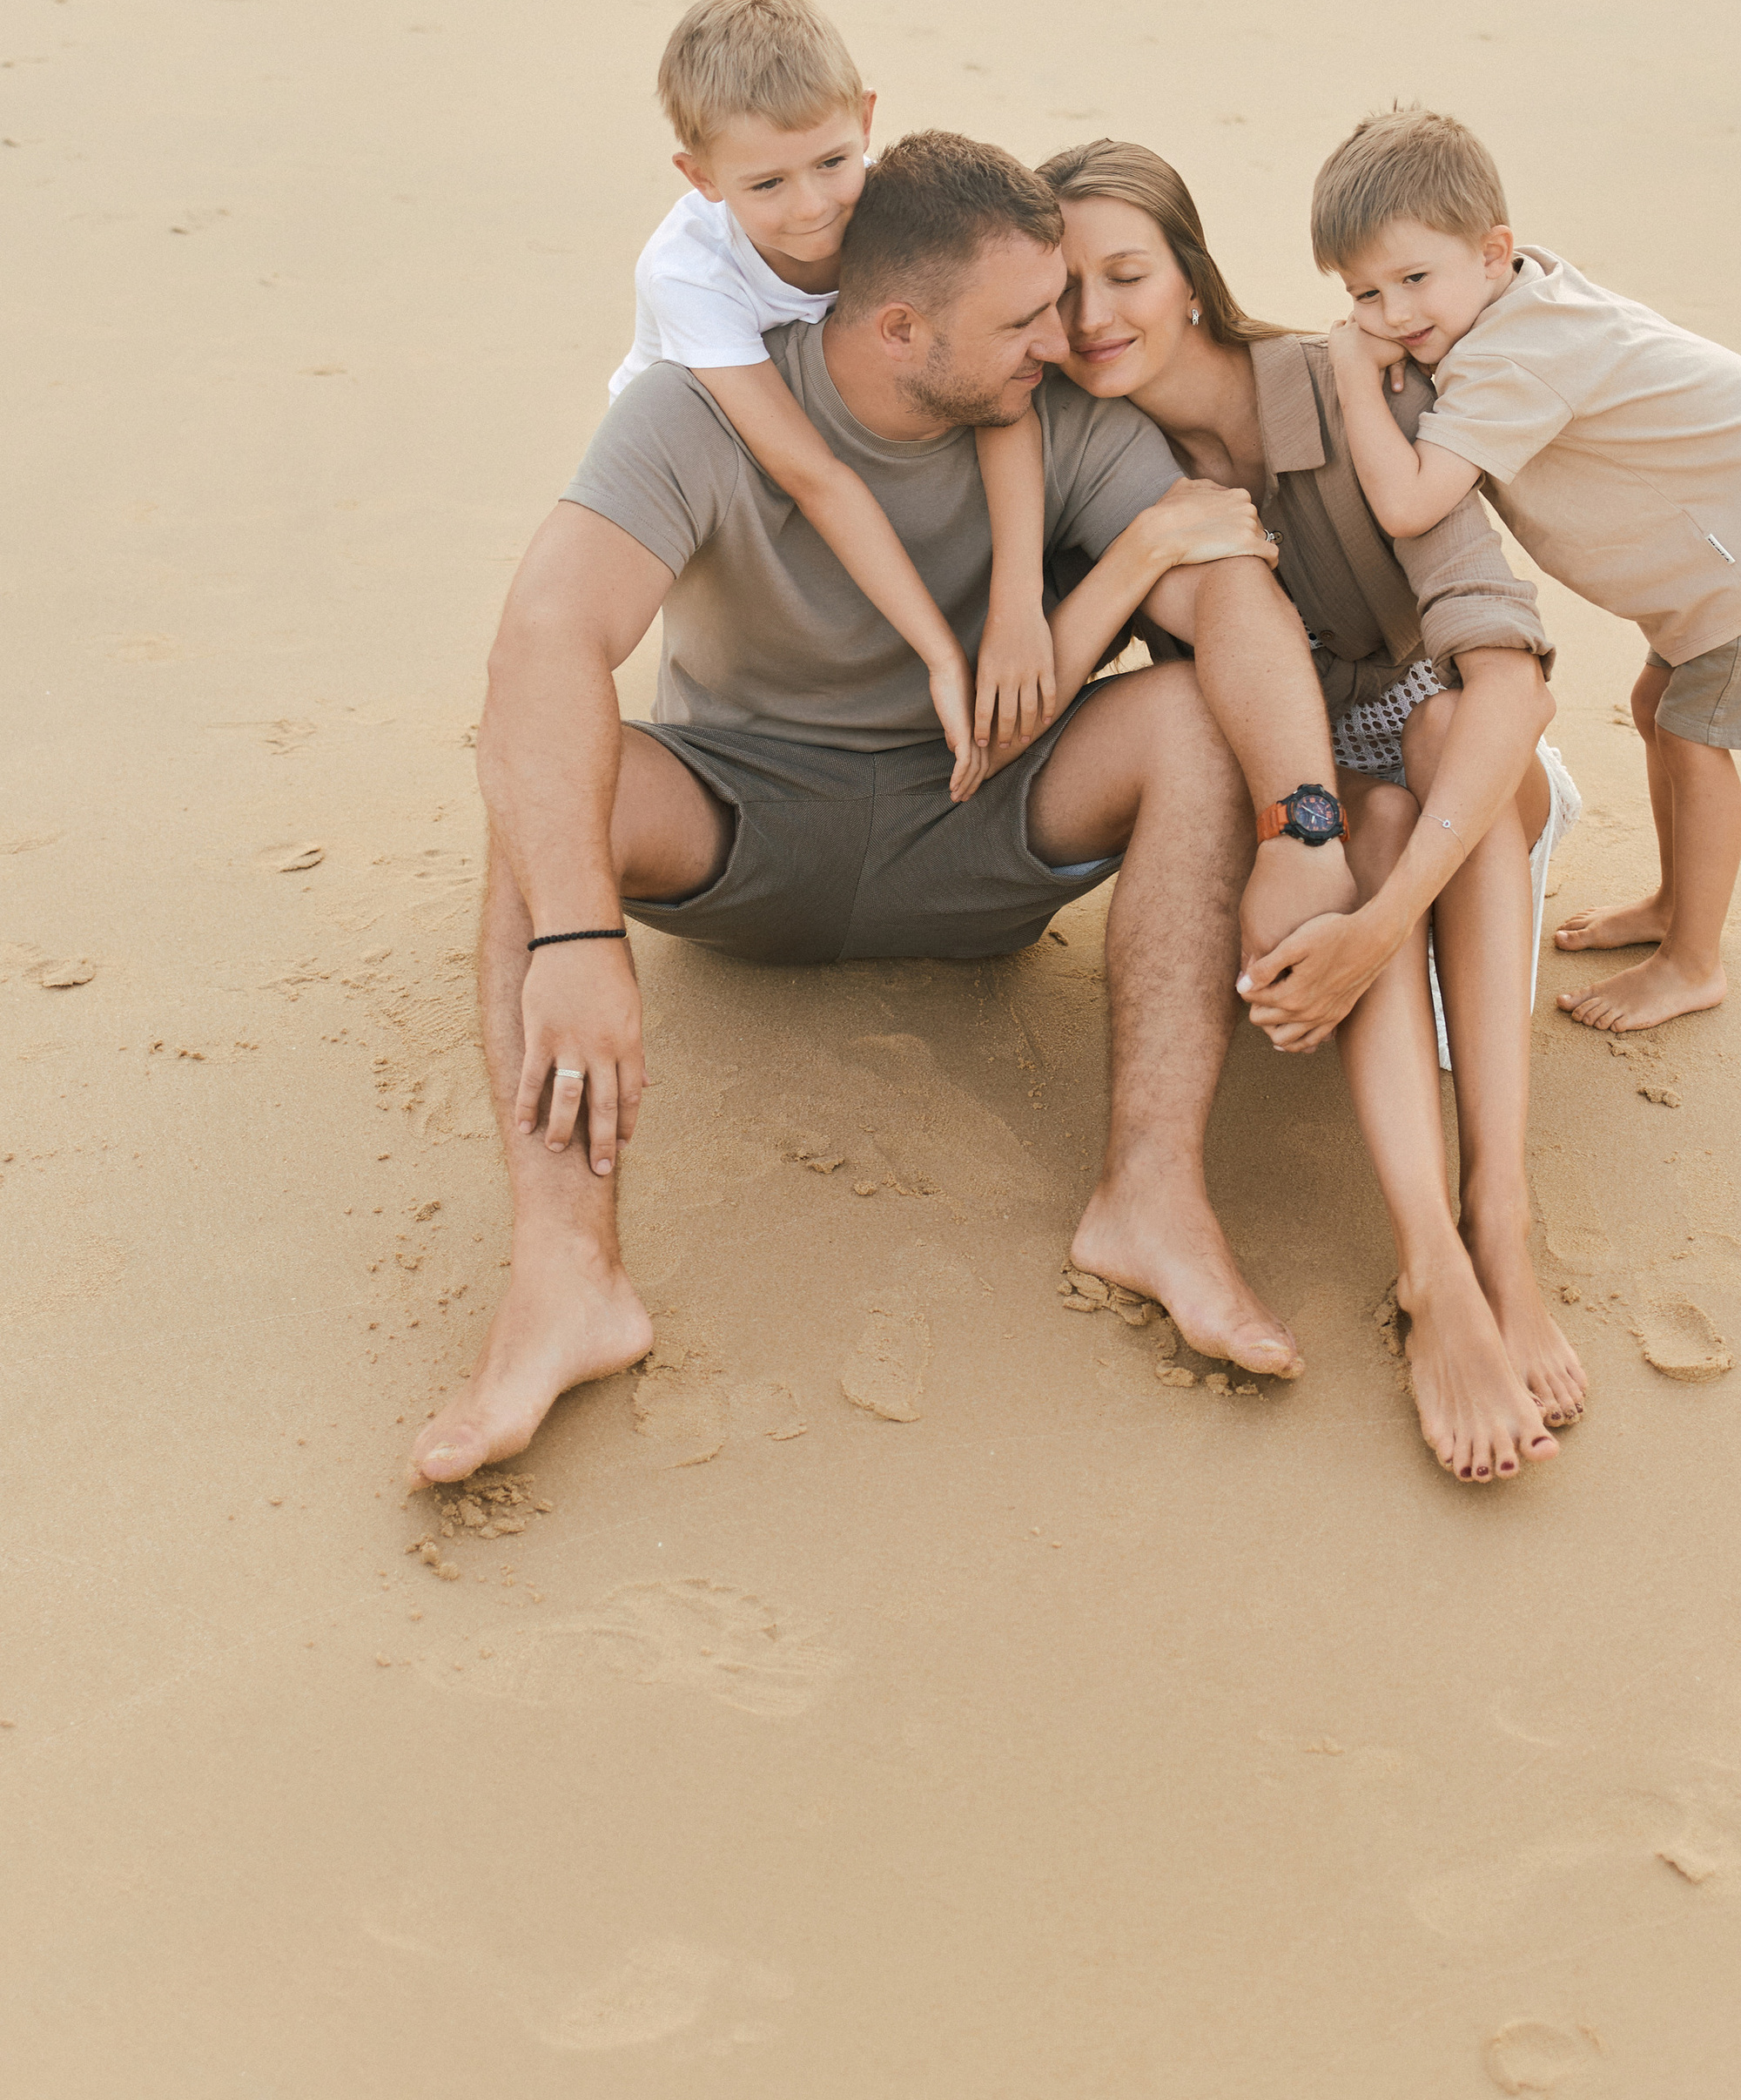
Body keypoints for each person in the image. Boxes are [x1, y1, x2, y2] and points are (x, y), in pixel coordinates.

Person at [412, 133, 1358, 1490]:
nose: (1069, 336)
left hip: (980, 831)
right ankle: (567, 1282)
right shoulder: (702, 414)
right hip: (741, 825)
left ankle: (1150, 1197)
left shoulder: (1065, 418)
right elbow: (546, 643)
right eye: (1027, 318)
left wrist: (1303, 827)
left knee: (1199, 716)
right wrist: (576, 938)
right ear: (903, 326)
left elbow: (1232, 597)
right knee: (544, 762)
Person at [1040, 140, 1584, 1485]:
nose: (1096, 317)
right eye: (1061, 293)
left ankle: (1501, 1217)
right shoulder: (1084, 465)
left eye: (1126, 273)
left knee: (1442, 738)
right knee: (1366, 816)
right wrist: (1143, 553)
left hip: (1466, 786)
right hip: (1316, 814)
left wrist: (1376, 924)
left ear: (1190, 274)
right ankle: (1432, 1267)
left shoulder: (1349, 386)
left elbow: (1513, 681)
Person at [1317, 107, 1741, 1035]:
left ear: (1493, 253)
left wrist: (1345, 370)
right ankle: (1672, 905)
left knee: (1693, 735)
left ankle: (1693, 962)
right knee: (1661, 709)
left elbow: (1408, 503)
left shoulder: (1513, 355)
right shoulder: (1514, 302)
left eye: (1414, 279)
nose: (1392, 316)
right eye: (1362, 295)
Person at [611, 0, 1054, 796]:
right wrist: (939, 655)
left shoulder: (892, 209)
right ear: (700, 175)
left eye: (831, 162)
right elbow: (812, 475)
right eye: (766, 185)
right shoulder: (689, 272)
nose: (814, 207)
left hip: (846, 420)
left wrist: (1017, 606)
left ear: (866, 119)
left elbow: (1001, 404)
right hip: (718, 451)